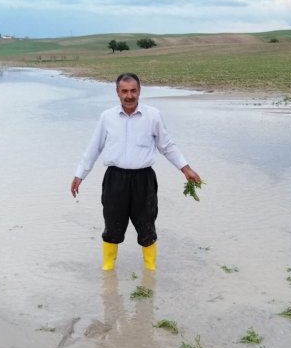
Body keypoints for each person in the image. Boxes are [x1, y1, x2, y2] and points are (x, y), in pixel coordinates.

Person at [71, 73, 201, 271]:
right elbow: (94, 148)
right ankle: (108, 273)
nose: (129, 96)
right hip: (115, 180)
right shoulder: (107, 117)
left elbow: (166, 146)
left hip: (144, 180)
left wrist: (186, 168)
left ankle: (150, 272)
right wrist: (80, 174)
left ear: (140, 91)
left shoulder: (153, 115)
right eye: (124, 91)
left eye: (133, 90)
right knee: (112, 226)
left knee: (146, 226)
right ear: (117, 93)